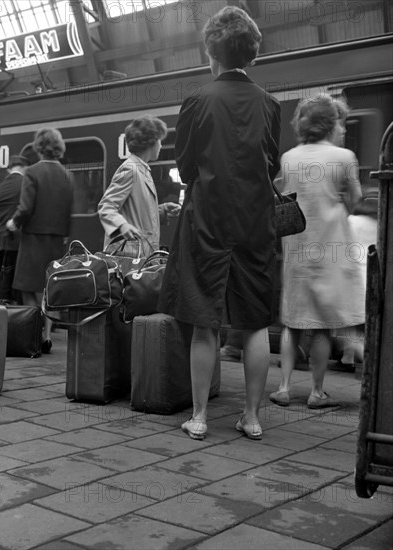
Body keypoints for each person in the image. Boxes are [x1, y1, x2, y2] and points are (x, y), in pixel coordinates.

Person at [158, 6, 281, 441]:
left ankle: (199, 416)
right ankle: (251, 417)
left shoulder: (197, 101)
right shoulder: (269, 104)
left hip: (207, 220)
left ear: (212, 53)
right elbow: (272, 163)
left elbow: (186, 165)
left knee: (204, 320)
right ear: (252, 55)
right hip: (255, 222)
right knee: (254, 324)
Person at [269, 93, 363, 409]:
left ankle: (282, 387)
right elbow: (355, 198)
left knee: (293, 320)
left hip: (296, 248)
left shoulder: (289, 157)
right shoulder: (344, 157)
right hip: (328, 247)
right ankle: (316, 391)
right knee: (322, 323)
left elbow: (283, 194)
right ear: (331, 123)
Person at [6, 128, 74, 354]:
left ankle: (32, 335)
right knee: (49, 290)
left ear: (39, 147)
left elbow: (25, 208)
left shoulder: (32, 172)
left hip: (34, 238)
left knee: (27, 288)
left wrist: (13, 223)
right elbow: (68, 211)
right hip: (56, 241)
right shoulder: (67, 175)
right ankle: (46, 335)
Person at [98, 115, 181, 251]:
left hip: (140, 252)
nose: (161, 145)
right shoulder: (130, 170)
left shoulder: (142, 170)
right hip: (129, 256)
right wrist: (122, 226)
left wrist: (162, 209)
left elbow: (136, 213)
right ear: (150, 142)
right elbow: (106, 207)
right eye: (159, 140)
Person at [335, 193, 378, 370]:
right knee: (358, 327)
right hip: (372, 282)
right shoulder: (380, 226)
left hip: (353, 281)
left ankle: (368, 361)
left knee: (345, 328)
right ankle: (347, 359)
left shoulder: (352, 221)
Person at [0, 154, 30, 301]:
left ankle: (1, 313)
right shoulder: (25, 183)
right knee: (17, 284)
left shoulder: (0, 188)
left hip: (0, 241)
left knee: (2, 281)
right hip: (17, 241)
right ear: (23, 167)